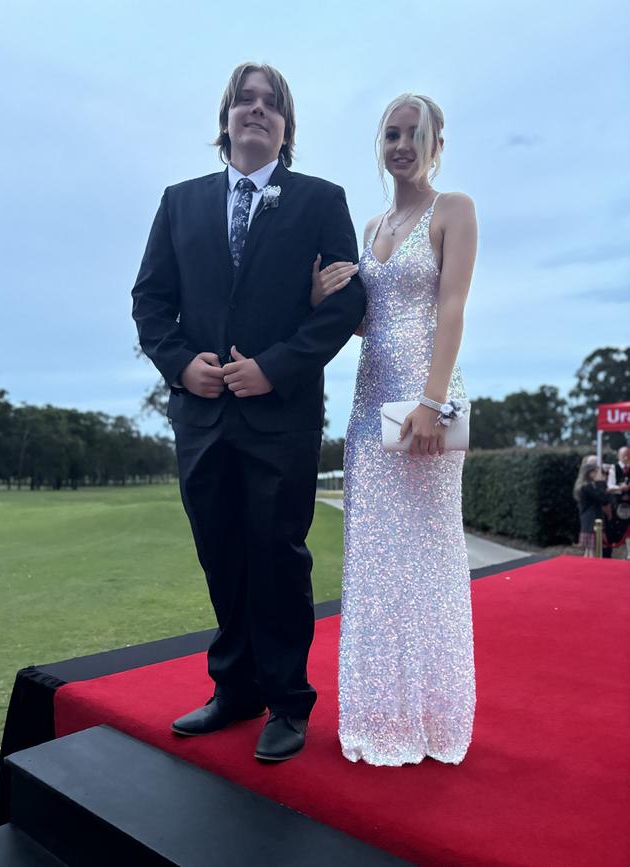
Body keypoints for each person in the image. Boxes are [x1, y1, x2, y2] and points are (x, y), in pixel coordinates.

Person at [132, 62, 365, 762]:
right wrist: (180, 364)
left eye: (271, 103)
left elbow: (349, 304)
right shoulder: (178, 202)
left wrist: (275, 367)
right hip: (200, 421)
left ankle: (288, 701)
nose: (256, 110)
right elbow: (150, 301)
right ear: (226, 119)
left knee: (277, 557)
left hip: (282, 418)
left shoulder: (322, 200)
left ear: (286, 127)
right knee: (222, 556)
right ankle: (234, 690)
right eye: (244, 100)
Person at [312, 94, 477, 765]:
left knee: (430, 561)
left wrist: (433, 402)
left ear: (436, 143)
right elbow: (365, 321)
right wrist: (325, 294)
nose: (402, 143)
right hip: (367, 409)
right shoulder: (374, 223)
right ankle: (384, 715)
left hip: (428, 406)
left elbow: (453, 305)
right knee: (378, 563)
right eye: (392, 133)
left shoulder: (454, 209)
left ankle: (436, 719)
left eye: (415, 133)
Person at [573, 458, 609, 556]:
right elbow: (603, 499)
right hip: (592, 521)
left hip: (589, 521)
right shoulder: (587, 487)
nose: (599, 474)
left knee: (589, 551)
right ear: (590, 473)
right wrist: (601, 482)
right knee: (593, 551)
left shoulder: (585, 486)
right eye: (596, 472)